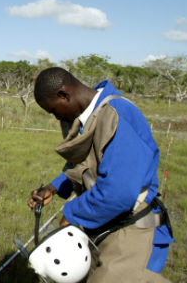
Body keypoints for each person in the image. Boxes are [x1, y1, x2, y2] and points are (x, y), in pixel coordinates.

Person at [27, 67, 173, 283]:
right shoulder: (92, 114)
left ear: (64, 95)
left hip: (132, 232)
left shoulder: (117, 115)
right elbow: (92, 165)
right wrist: (55, 187)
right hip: (108, 225)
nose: (56, 116)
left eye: (53, 110)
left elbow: (118, 193)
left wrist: (72, 213)